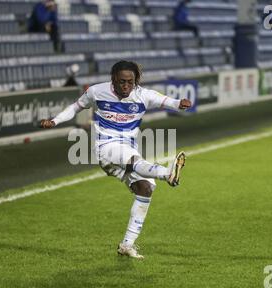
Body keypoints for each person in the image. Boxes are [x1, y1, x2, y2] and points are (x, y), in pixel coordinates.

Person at [39, 61, 192, 259]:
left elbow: (169, 102)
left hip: (127, 149)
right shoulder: (97, 92)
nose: (126, 86)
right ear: (113, 79)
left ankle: (126, 245)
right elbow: (75, 107)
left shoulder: (143, 95)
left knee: (145, 188)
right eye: (121, 82)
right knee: (133, 160)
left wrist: (181, 103)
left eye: (130, 81)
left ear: (135, 80)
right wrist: (55, 120)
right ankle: (167, 173)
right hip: (105, 148)